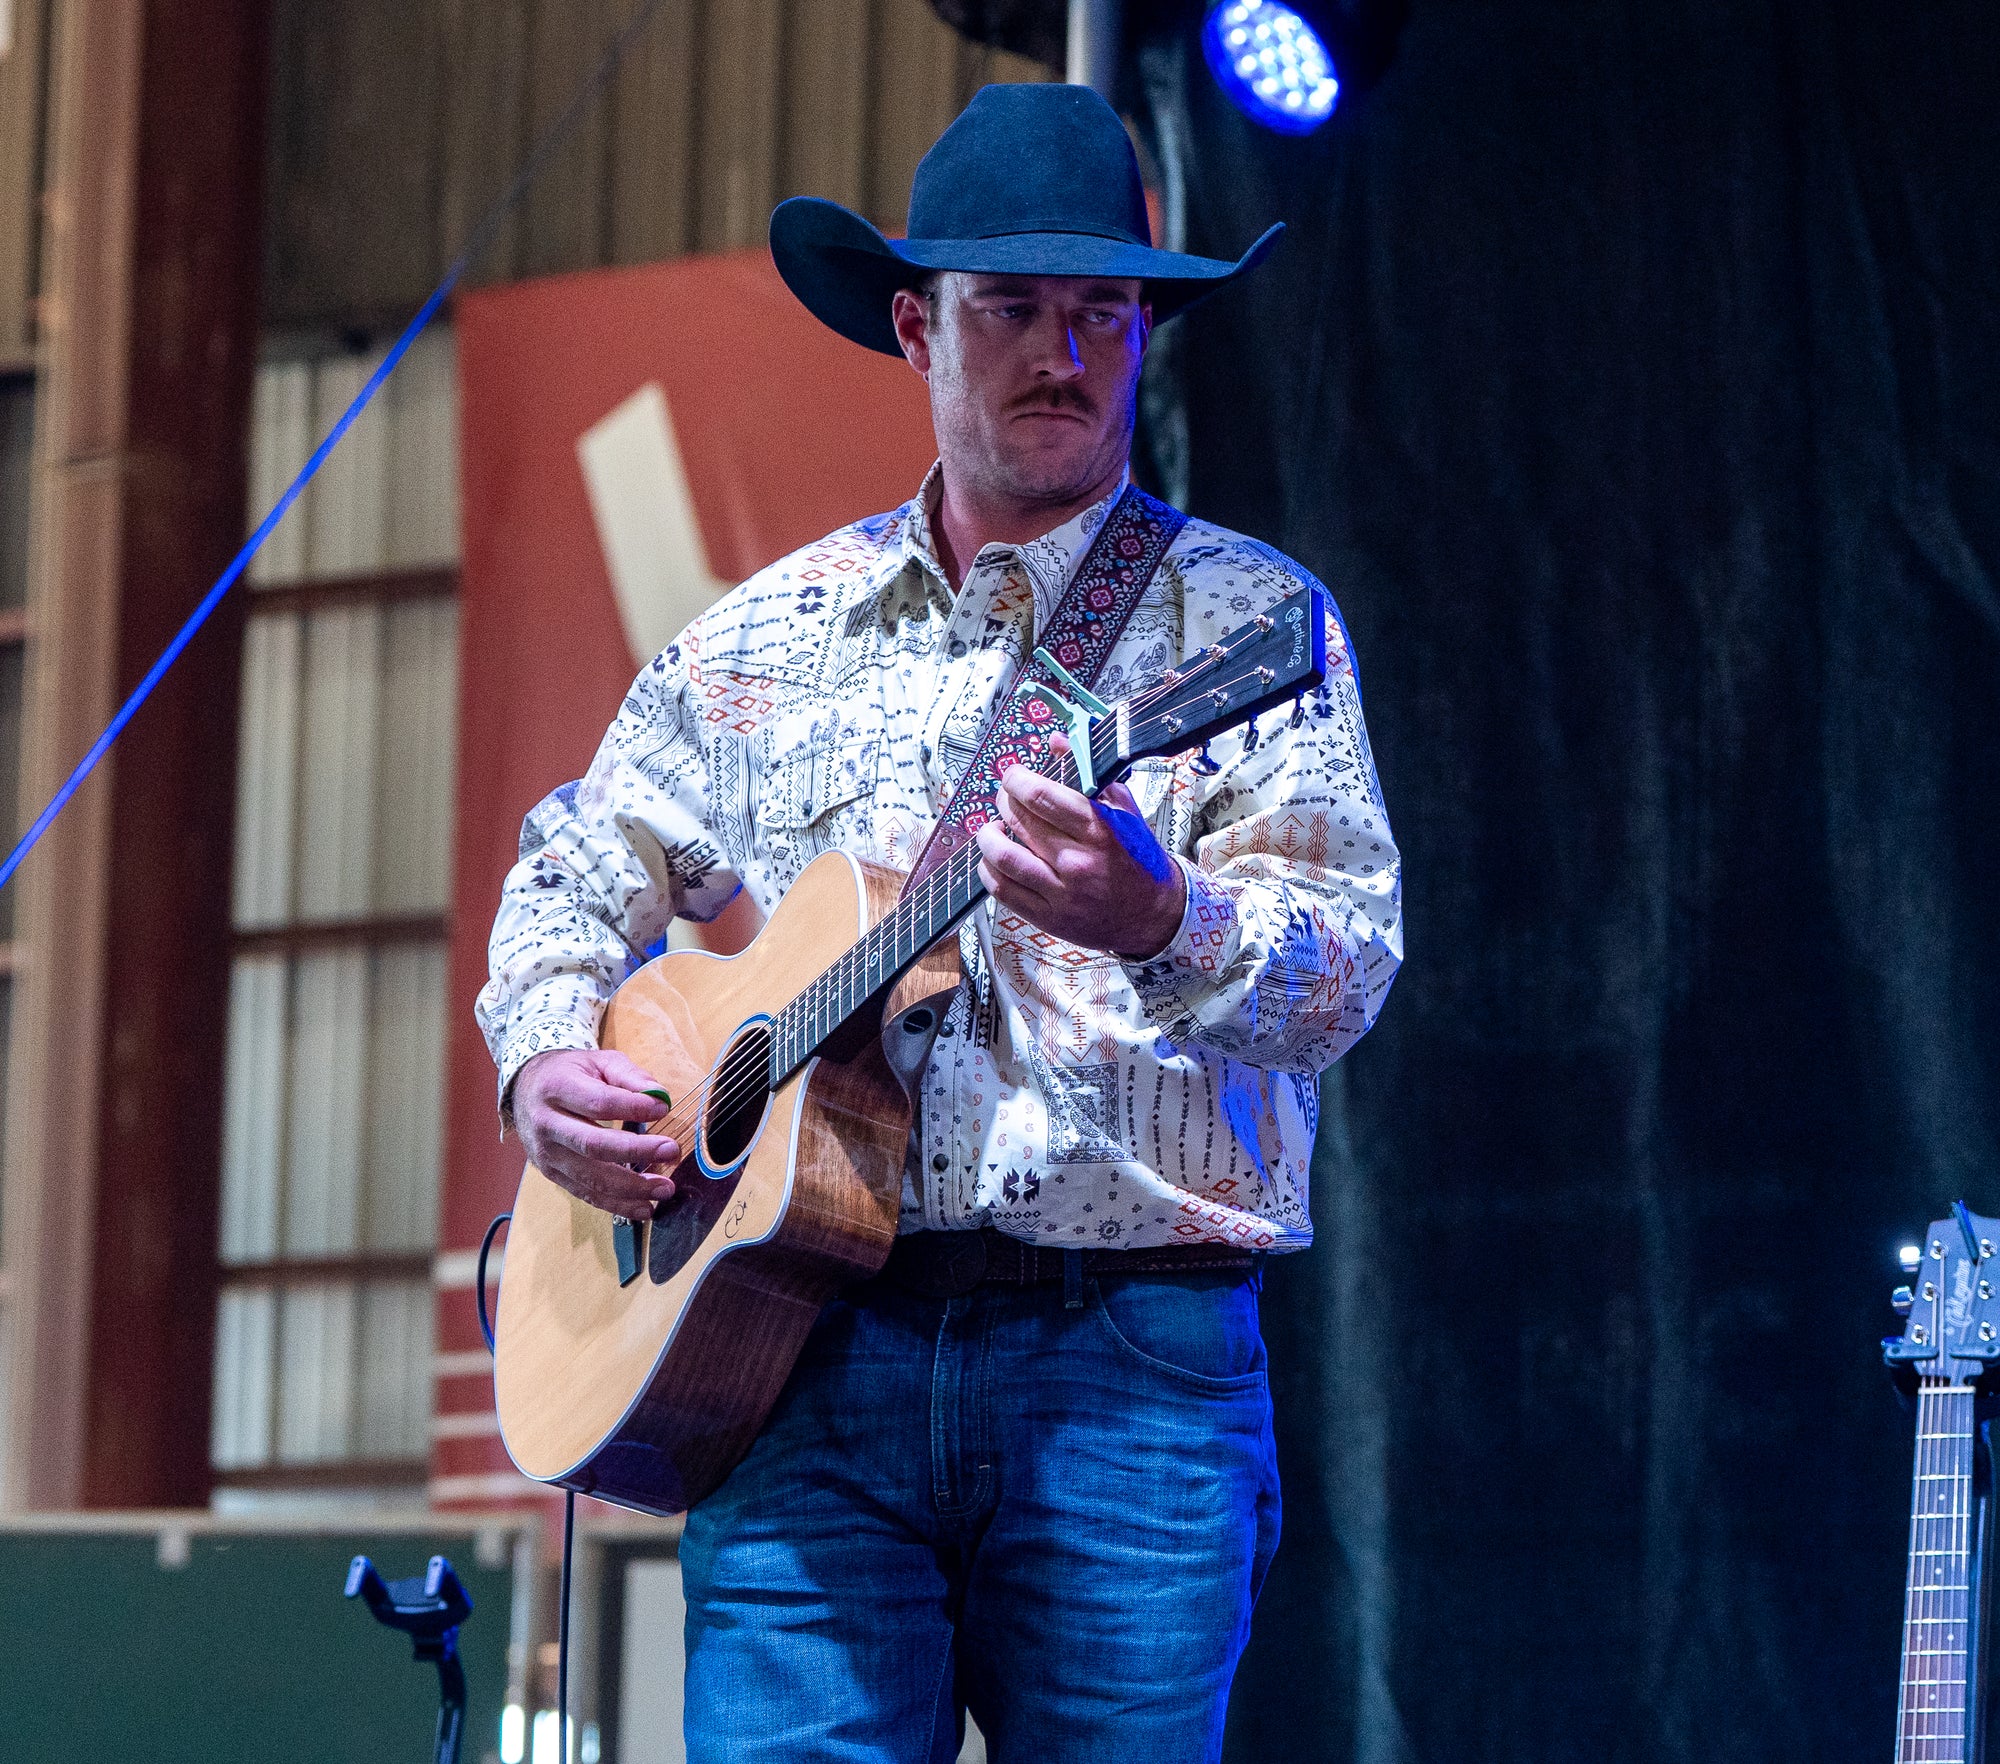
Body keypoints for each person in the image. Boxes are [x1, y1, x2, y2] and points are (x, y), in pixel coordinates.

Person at [478, 82, 1401, 1764]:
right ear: (916, 326)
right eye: (1015, 311)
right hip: (793, 1358)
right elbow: (567, 865)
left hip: (1131, 1365)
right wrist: (544, 1061)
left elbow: (1344, 975)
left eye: (1103, 313)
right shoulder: (762, 640)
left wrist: (1166, 916)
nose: (1066, 352)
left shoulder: (1254, 628)